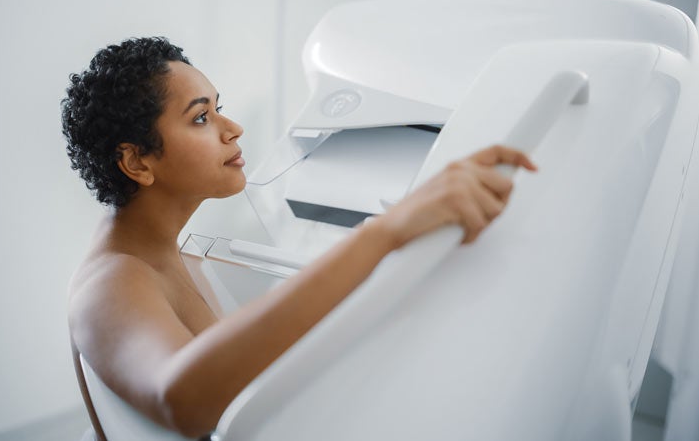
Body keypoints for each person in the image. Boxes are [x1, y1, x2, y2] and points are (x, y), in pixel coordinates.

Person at [62, 37, 536, 439]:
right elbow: (183, 400)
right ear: (137, 162)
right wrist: (387, 232)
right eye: (201, 118)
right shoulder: (112, 281)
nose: (233, 129)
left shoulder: (163, 251)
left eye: (218, 108)